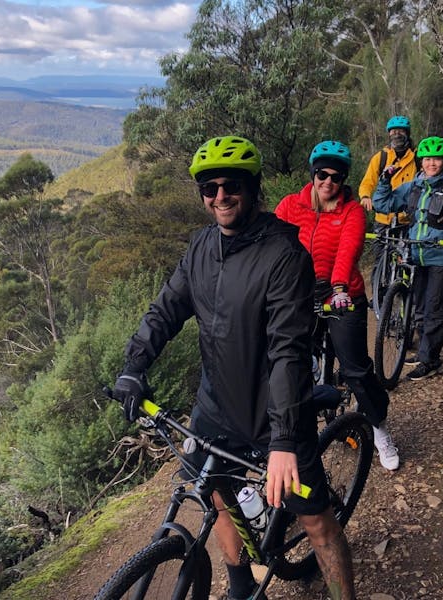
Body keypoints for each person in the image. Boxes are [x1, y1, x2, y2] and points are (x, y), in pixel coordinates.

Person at [113, 135, 356, 600]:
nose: (220, 196)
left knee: (316, 520)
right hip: (217, 403)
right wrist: (134, 365)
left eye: (231, 185)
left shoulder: (284, 255)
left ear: (252, 186)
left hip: (276, 410)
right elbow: (166, 310)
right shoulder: (201, 247)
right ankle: (243, 584)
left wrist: (284, 439)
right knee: (214, 492)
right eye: (209, 188)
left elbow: (288, 350)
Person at [274, 140, 400, 472]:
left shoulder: (352, 210)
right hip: (301, 297)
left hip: (342, 296)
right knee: (292, 364)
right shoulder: (290, 206)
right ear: (312, 173)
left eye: (336, 177)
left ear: (344, 180)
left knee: (356, 369)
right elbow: (274, 247)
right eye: (322, 174)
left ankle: (379, 428)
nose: (328, 182)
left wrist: (339, 286)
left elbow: (349, 248)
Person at [372, 136, 443, 381]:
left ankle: (430, 360)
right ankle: (423, 351)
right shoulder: (413, 187)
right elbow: (383, 204)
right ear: (421, 161)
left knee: (435, 309)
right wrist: (385, 180)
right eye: (427, 159)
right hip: (415, 254)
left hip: (441, 257)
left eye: (436, 159)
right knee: (419, 307)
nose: (432, 163)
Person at [358, 115, 417, 221]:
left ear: (407, 133)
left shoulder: (416, 157)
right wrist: (365, 196)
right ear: (389, 134)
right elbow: (367, 181)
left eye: (401, 131)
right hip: (383, 218)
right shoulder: (381, 157)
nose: (397, 135)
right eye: (393, 131)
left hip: (409, 219)